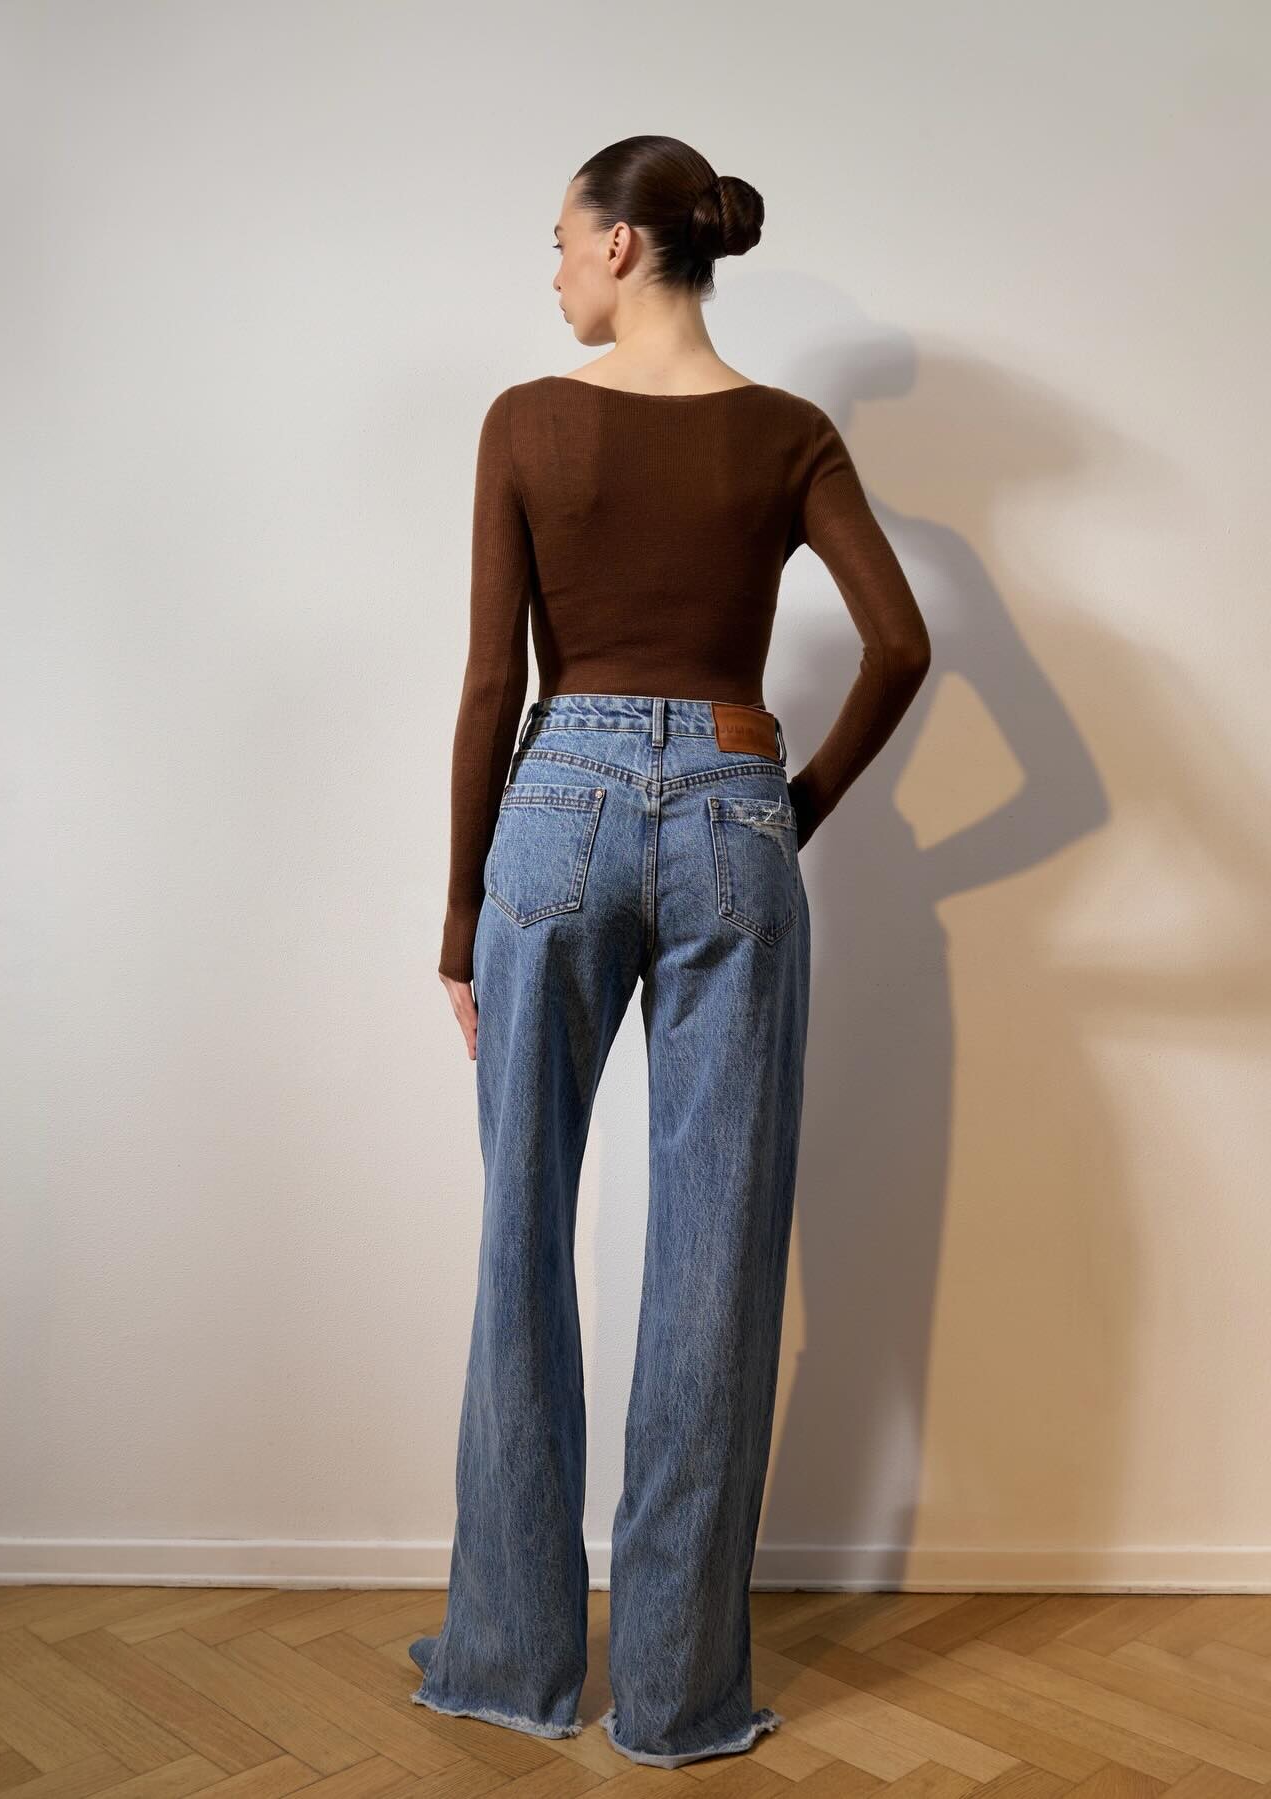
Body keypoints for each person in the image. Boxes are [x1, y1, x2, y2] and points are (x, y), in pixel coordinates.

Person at [412, 134, 932, 1769]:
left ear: (625, 245)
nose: (556, 270)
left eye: (563, 240)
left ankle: (509, 1662)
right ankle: (680, 1693)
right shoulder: (788, 434)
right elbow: (902, 645)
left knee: (520, 1242)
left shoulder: (526, 421)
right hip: (731, 807)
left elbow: (492, 687)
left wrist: (457, 917)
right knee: (716, 1266)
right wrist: (785, 811)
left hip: (553, 811)